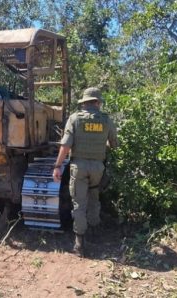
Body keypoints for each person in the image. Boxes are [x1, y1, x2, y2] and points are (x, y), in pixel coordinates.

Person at [52, 87, 118, 257]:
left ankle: (79, 244)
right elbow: (114, 144)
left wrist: (57, 166)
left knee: (79, 204)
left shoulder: (74, 119)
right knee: (94, 197)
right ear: (97, 102)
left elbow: (65, 145)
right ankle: (94, 232)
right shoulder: (105, 119)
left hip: (79, 168)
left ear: (84, 102)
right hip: (98, 168)